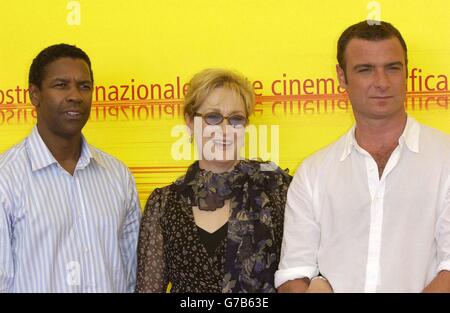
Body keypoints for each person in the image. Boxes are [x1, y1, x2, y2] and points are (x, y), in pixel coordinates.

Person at [276, 21, 450, 293]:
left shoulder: (445, 159)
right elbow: (293, 274)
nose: (381, 82)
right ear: (342, 77)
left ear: (407, 72)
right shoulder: (313, 173)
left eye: (392, 68)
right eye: (365, 70)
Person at [0, 44, 141, 292]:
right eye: (61, 85)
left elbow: (131, 276)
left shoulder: (118, 175)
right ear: (34, 95)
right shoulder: (6, 178)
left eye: (84, 86)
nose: (75, 95)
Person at [135, 68, 291, 292]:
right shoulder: (163, 203)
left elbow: (305, 269)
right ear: (190, 121)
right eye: (213, 117)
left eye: (236, 119)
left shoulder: (277, 190)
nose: (225, 130)